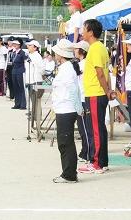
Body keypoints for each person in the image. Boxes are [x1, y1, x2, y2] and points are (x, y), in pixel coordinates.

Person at [78, 19, 113, 174]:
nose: (81, 31)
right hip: (97, 93)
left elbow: (100, 73)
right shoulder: (100, 48)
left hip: (95, 93)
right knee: (99, 128)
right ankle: (102, 162)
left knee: (95, 130)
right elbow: (107, 72)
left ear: (90, 32)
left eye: (84, 29)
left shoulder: (95, 48)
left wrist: (107, 91)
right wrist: (109, 90)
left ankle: (97, 163)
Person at [51, 39, 83, 183]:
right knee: (65, 142)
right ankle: (69, 172)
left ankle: (69, 174)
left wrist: (78, 107)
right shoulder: (66, 67)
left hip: (67, 109)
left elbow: (72, 89)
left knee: (65, 142)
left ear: (61, 54)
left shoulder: (67, 68)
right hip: (64, 108)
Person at [73, 40, 92, 163]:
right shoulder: (80, 63)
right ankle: (85, 151)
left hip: (84, 98)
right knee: (82, 127)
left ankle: (88, 153)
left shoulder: (84, 64)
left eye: (76, 49)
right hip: (81, 98)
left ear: (82, 51)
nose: (74, 51)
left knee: (84, 127)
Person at [25, 40, 45, 122]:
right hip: (29, 80)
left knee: (36, 101)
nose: (28, 47)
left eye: (30, 45)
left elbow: (42, 69)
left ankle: (37, 117)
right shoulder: (29, 55)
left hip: (36, 80)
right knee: (32, 101)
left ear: (35, 47)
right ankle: (33, 116)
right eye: (28, 45)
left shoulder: (37, 56)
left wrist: (35, 64)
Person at [11, 38, 27, 110]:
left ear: (20, 45)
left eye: (16, 44)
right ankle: (17, 104)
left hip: (20, 71)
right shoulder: (13, 52)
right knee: (15, 87)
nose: (14, 45)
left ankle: (23, 104)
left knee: (21, 88)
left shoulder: (22, 52)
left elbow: (26, 61)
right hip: (14, 70)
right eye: (14, 44)